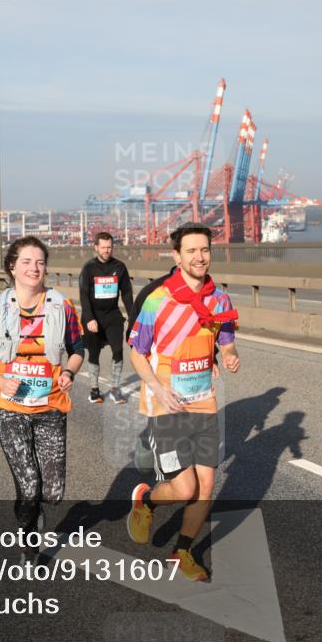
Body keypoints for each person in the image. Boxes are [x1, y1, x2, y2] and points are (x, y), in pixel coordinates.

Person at [125, 224, 240, 582]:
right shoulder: (158, 299)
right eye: (191, 251)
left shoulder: (218, 299)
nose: (199, 257)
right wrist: (159, 389)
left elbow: (227, 338)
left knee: (206, 487)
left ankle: (183, 552)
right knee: (185, 488)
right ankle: (145, 500)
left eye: (204, 249)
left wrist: (230, 355)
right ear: (177, 256)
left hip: (204, 403)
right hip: (169, 406)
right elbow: (137, 353)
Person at [0, 236, 83, 561]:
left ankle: (33, 511)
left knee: (53, 493)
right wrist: (0, 381)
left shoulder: (62, 305)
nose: (34, 268)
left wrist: (69, 372)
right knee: (28, 486)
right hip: (8, 409)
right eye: (27, 262)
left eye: (40, 262)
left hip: (50, 406)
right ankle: (28, 538)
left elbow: (78, 349)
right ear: (12, 268)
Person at [79, 231, 134, 404]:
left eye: (109, 247)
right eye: (103, 248)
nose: (106, 251)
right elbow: (83, 295)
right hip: (93, 316)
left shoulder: (120, 267)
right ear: (96, 247)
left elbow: (126, 293)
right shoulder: (89, 268)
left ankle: (115, 389)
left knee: (118, 350)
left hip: (113, 316)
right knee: (93, 353)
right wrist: (89, 319)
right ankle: (94, 390)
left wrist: (132, 316)